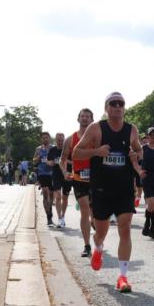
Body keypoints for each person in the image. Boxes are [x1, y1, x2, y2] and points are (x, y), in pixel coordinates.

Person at [72, 92, 144, 293]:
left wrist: (134, 154)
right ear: (106, 107)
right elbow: (76, 152)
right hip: (101, 188)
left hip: (123, 188)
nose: (118, 106)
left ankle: (122, 277)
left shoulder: (132, 130)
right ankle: (98, 248)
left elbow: (140, 151)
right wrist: (96, 152)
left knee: (125, 227)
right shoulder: (96, 128)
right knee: (101, 231)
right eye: (113, 103)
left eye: (121, 103)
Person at [61, 108, 95, 257]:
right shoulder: (70, 139)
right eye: (82, 116)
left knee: (96, 214)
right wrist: (65, 172)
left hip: (97, 179)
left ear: (92, 120)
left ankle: (94, 222)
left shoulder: (97, 138)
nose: (85, 118)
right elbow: (62, 161)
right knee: (85, 209)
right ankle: (87, 245)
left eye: (88, 116)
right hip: (79, 179)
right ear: (78, 119)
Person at [33, 132, 56, 226]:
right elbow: (34, 160)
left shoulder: (53, 148)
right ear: (41, 139)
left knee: (51, 195)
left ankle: (50, 210)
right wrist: (38, 157)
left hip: (52, 173)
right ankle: (48, 217)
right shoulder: (38, 149)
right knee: (45, 194)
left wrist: (52, 162)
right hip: (42, 173)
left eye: (46, 138)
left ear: (49, 138)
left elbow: (58, 159)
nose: (45, 139)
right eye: (43, 138)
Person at [50, 133, 69, 227]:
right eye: (58, 140)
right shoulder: (52, 150)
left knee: (65, 197)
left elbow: (73, 161)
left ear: (64, 140)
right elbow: (48, 161)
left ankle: (63, 216)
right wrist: (53, 162)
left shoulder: (68, 149)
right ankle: (59, 218)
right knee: (58, 196)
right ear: (55, 140)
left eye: (62, 140)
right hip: (56, 175)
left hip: (66, 175)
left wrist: (64, 161)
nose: (60, 142)